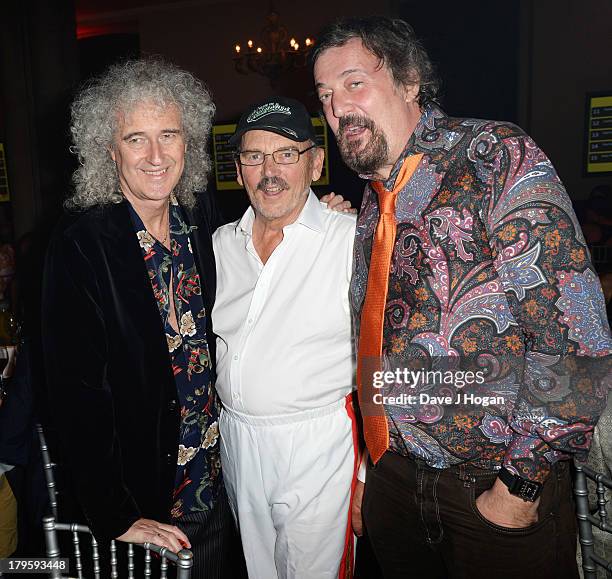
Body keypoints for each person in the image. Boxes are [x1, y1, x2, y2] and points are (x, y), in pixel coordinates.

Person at [312, 16, 612, 579]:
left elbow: (578, 339)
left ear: (410, 81)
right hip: (397, 484)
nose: (337, 108)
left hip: (490, 493)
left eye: (354, 83)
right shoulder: (374, 203)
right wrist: (373, 475)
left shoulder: (493, 155)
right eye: (325, 95)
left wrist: (517, 487)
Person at [41, 58, 234, 577]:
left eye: (168, 134)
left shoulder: (199, 219)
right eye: (135, 139)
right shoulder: (83, 243)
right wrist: (117, 514)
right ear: (109, 150)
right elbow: (76, 394)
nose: (155, 156)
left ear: (188, 141)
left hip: (214, 489)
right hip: (145, 503)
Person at [212, 97, 358, 578]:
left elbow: (386, 353)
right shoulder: (217, 246)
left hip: (317, 446)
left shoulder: (351, 240)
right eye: (254, 157)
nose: (268, 171)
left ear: (315, 163)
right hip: (236, 441)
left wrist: (368, 473)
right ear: (238, 168)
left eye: (285, 155)